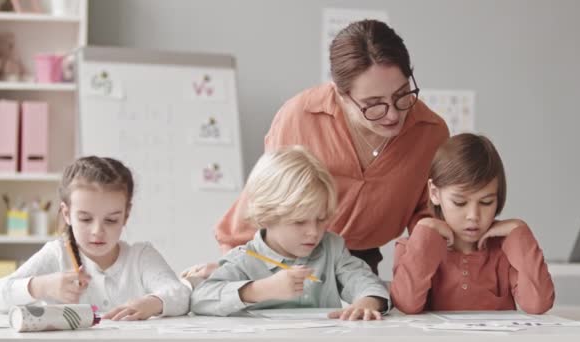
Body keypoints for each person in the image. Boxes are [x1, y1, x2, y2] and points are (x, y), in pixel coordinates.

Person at [183, 19, 449, 284]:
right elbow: (266, 198)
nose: (393, 114)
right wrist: (234, 268)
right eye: (373, 104)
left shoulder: (431, 133)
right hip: (283, 260)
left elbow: (430, 216)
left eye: (402, 94)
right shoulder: (299, 117)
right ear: (341, 95)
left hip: (360, 264)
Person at [191, 147, 390, 320]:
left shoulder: (332, 248)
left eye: (321, 220)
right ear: (267, 216)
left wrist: (367, 304)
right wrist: (261, 289)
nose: (313, 232)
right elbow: (200, 299)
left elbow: (365, 281)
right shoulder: (244, 258)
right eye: (299, 222)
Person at [0, 156, 191, 320]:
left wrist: (152, 303)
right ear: (67, 214)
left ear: (126, 214)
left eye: (111, 220)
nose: (97, 231)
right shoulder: (57, 254)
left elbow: (181, 295)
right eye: (85, 219)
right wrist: (41, 286)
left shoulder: (141, 257)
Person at [390, 133, 555, 314]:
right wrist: (425, 231)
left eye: (486, 202)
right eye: (460, 203)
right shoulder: (412, 247)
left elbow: (538, 304)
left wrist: (519, 231)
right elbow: (406, 304)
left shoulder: (506, 250)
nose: (473, 216)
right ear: (435, 193)